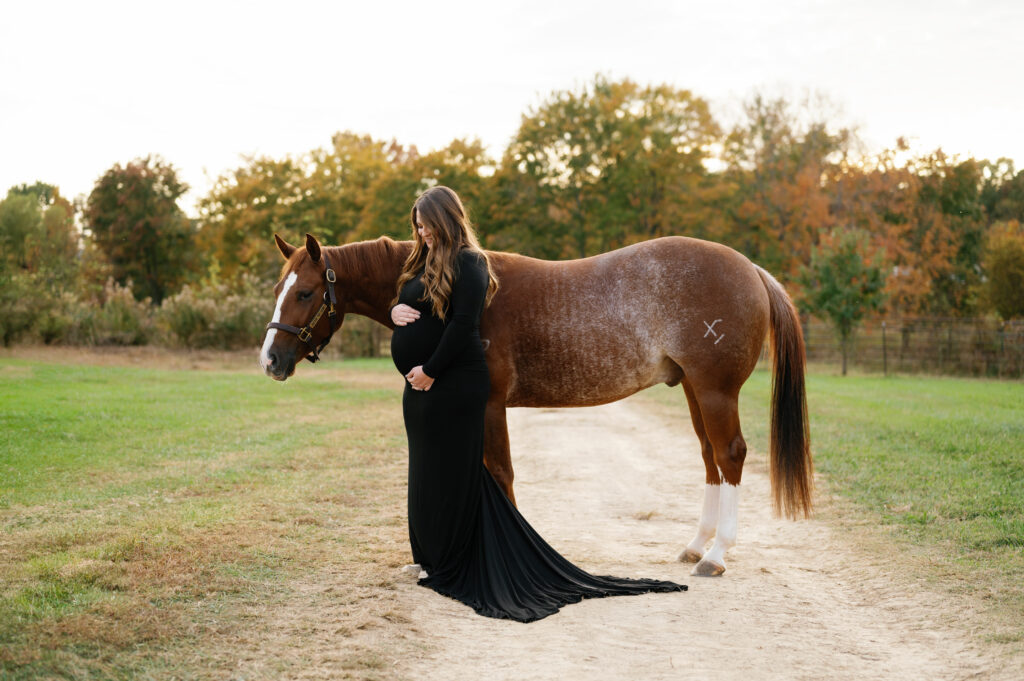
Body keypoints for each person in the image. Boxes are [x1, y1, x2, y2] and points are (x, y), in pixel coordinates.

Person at [389, 186, 686, 622]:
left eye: (427, 223)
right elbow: (416, 304)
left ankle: (453, 560)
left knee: (454, 471)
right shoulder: (421, 260)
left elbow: (463, 325)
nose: (421, 231)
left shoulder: (471, 262)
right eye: (416, 224)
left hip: (450, 381)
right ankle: (427, 557)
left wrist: (430, 370)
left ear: (447, 219)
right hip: (420, 389)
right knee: (425, 470)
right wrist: (395, 308)